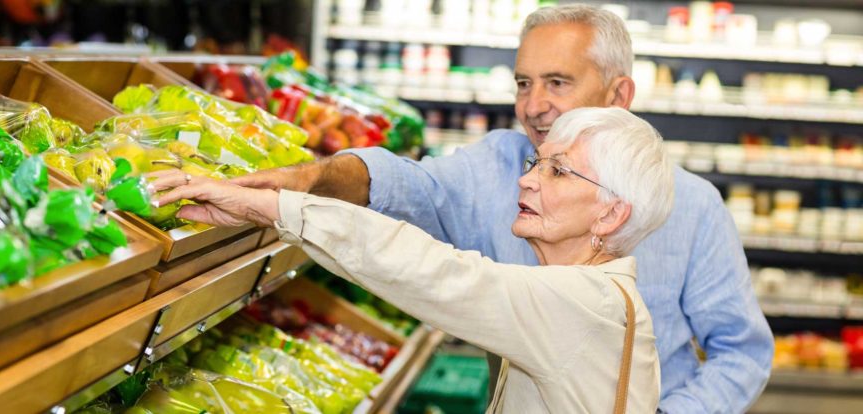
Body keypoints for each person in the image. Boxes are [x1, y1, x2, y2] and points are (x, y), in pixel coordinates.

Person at [164, 5, 774, 413]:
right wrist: (312, 177)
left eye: (557, 83)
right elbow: (411, 187)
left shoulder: (613, 270)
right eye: (522, 83)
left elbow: (435, 274)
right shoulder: (504, 168)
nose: (533, 107)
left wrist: (279, 207)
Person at [153, 107, 673, 412]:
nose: (527, 178)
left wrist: (271, 206)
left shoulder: (585, 304)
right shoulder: (593, 296)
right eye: (537, 162)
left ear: (610, 216)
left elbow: (433, 271)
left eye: (559, 172)